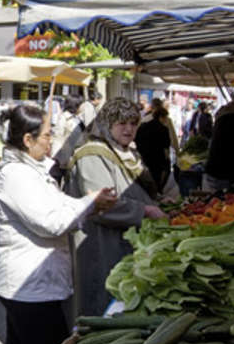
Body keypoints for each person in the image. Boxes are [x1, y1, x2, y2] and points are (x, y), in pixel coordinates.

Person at [0, 105, 117, 344]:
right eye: (47, 135)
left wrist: (87, 201)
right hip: (28, 286)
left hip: (30, 284)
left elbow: (57, 206)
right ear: (28, 140)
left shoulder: (31, 170)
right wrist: (90, 203)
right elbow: (51, 222)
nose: (51, 140)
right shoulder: (17, 176)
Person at [67, 97, 173, 319]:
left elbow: (133, 190)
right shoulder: (92, 154)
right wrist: (145, 211)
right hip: (100, 243)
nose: (129, 129)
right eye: (121, 123)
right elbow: (100, 203)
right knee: (100, 300)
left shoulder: (125, 152)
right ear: (107, 123)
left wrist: (158, 202)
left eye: (133, 123)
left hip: (122, 242)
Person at [135, 98, 176, 191]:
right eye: (165, 118)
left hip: (144, 157)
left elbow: (136, 140)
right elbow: (166, 147)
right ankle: (157, 193)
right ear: (162, 117)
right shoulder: (163, 129)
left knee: (146, 179)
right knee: (158, 179)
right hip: (158, 159)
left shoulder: (144, 124)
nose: (166, 120)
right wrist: (168, 159)